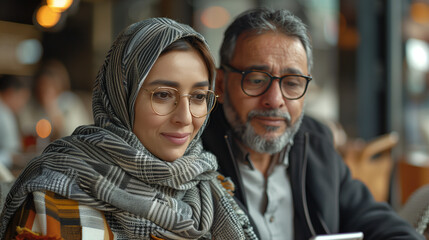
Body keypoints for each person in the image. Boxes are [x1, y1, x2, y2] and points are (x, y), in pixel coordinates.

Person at [0, 18, 257, 240]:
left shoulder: (211, 192)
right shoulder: (53, 203)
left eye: (199, 96)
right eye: (163, 95)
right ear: (121, 96)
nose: (185, 117)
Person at [201, 8, 425, 240]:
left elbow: (373, 219)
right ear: (221, 84)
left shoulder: (314, 141)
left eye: (292, 83)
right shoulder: (194, 157)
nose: (275, 100)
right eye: (257, 80)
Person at [19, 59, 92, 144]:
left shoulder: (69, 103)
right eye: (41, 88)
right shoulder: (31, 105)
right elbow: (26, 130)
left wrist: (53, 111)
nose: (44, 93)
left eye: (48, 88)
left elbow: (75, 133)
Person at [0, 75, 31, 169]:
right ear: (10, 93)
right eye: (22, 98)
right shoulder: (5, 113)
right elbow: (12, 153)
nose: (23, 105)